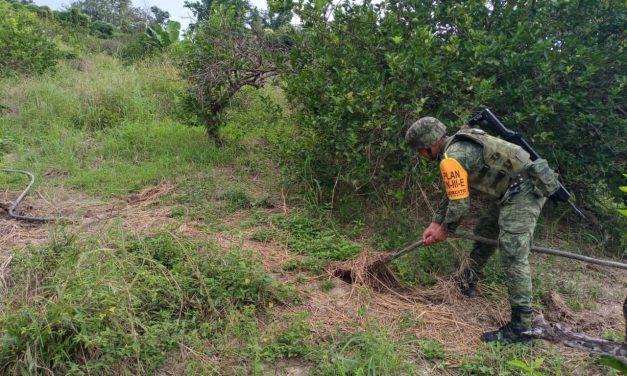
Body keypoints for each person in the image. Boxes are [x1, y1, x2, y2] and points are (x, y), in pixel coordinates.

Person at [405, 116, 560, 345]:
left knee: (512, 253)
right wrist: (436, 222)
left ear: (428, 146)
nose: (421, 155)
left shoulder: (451, 158)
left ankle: (521, 328)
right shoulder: (458, 144)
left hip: (525, 190)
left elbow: (460, 205)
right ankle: (467, 280)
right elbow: (454, 193)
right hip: (511, 190)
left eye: (419, 151)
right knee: (485, 233)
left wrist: (445, 229)